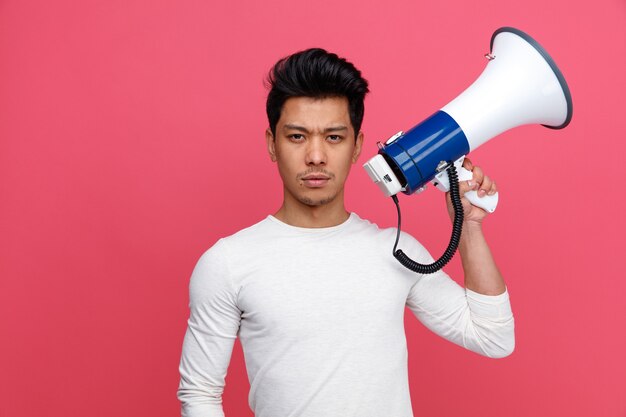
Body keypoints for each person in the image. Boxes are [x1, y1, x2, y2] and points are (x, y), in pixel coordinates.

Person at [177, 48, 514, 417]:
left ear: (356, 148)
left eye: (334, 138)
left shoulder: (397, 252)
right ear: (273, 144)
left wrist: (468, 225)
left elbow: (493, 337)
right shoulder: (227, 263)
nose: (316, 156)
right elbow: (200, 393)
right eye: (297, 137)